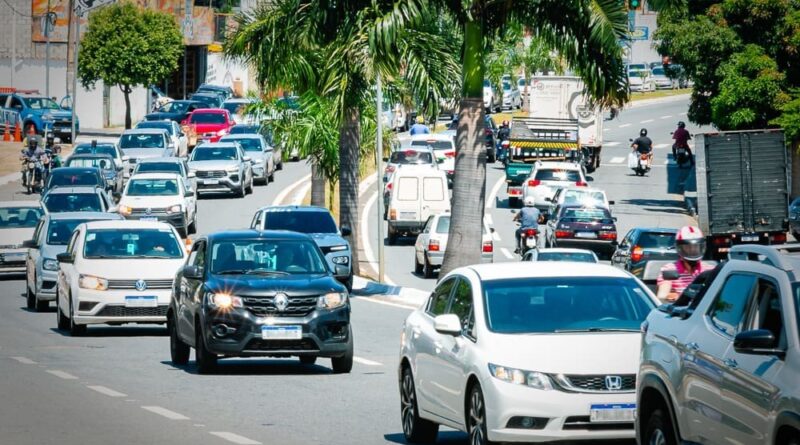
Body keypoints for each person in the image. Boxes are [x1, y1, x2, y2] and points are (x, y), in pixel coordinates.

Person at [656, 225, 715, 302]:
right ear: (680, 248)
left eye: (696, 247)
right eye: (688, 247)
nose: (693, 250)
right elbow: (662, 296)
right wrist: (671, 296)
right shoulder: (669, 269)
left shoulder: (710, 270)